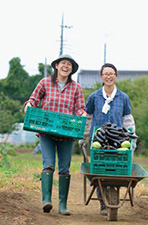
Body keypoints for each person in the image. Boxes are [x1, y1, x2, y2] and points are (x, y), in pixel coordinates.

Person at [24, 54, 86, 215]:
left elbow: (79, 108)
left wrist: (83, 114)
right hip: (46, 132)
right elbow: (33, 99)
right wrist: (29, 105)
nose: (66, 66)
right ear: (57, 66)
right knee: (49, 164)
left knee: (64, 168)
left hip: (67, 133)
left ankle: (63, 205)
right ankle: (46, 200)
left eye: (69, 65)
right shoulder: (44, 83)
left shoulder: (76, 88)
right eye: (63, 63)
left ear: (72, 69)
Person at [79, 63, 136, 216]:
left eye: (111, 74)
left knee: (115, 170)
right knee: (100, 170)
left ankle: (112, 193)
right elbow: (88, 117)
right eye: (106, 74)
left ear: (116, 76)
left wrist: (132, 138)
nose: (109, 76)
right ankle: (103, 203)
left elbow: (128, 120)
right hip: (98, 140)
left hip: (118, 140)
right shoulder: (94, 97)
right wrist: (83, 136)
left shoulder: (123, 97)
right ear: (101, 77)